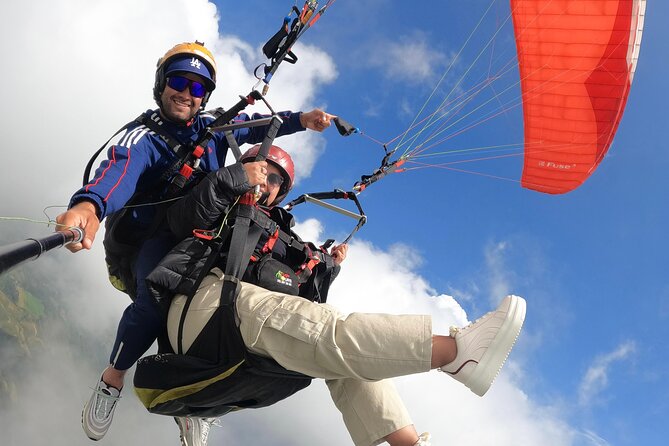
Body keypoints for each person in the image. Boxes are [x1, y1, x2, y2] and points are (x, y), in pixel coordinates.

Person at [140, 144, 526, 446]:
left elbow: (303, 300)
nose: (266, 182)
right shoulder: (221, 198)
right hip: (202, 309)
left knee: (340, 357)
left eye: (276, 180)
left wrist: (327, 268)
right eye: (261, 170)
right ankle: (454, 353)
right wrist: (232, 178)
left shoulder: (282, 235)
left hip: (240, 329)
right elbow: (185, 220)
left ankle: (406, 442)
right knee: (324, 328)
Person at [54, 41, 334, 443]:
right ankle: (112, 378)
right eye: (179, 81)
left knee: (227, 300)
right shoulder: (145, 138)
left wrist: (302, 119)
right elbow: (119, 170)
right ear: (162, 84)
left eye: (197, 87)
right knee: (156, 300)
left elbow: (257, 124)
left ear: (206, 96)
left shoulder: (214, 130)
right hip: (152, 237)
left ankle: (192, 405)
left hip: (199, 231)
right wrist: (88, 206)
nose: (186, 92)